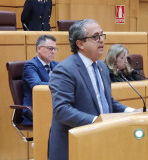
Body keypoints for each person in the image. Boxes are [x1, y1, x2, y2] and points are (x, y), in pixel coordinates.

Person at [48, 19, 143, 160]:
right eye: (95, 37)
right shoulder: (65, 70)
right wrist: (97, 121)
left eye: (102, 35)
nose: (101, 40)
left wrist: (131, 111)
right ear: (80, 44)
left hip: (98, 141)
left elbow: (106, 101)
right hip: (72, 145)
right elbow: (61, 110)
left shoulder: (102, 67)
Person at [22, 35, 59, 125]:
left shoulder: (56, 65)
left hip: (53, 107)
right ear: (39, 48)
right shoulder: (30, 66)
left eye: (55, 49)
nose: (53, 52)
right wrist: (60, 84)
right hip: (36, 110)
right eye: (50, 48)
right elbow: (37, 85)